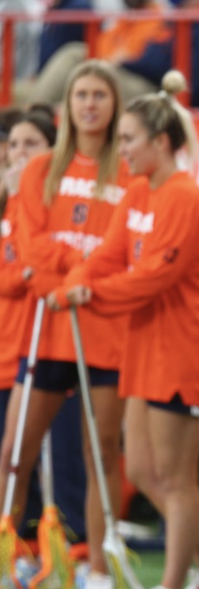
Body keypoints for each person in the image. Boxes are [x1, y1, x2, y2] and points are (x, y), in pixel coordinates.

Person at [52, 70, 199, 589]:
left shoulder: (184, 197)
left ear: (160, 142)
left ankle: (177, 582)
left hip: (185, 350)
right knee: (139, 472)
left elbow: (153, 278)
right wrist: (79, 278)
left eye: (130, 139)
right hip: (146, 348)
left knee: (175, 480)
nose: (123, 149)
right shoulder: (138, 192)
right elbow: (108, 255)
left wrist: (89, 294)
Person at [4, 59, 129, 589]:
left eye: (100, 95)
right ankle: (10, 552)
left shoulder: (127, 173)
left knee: (99, 453)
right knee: (15, 451)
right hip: (50, 326)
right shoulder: (39, 171)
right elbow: (29, 246)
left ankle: (96, 567)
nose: (90, 104)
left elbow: (120, 251)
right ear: (68, 104)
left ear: (113, 103)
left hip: (105, 332)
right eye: (81, 95)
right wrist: (59, 275)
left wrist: (73, 270)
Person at [0, 106, 89, 542]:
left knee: (57, 458)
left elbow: (28, 269)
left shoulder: (45, 201)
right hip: (13, 351)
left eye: (30, 144)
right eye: (13, 144)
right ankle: (17, 543)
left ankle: (70, 544)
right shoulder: (8, 202)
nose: (18, 153)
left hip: (41, 349)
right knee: (14, 457)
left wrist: (31, 274)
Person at [15, 0, 172, 106]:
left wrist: (125, 62)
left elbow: (159, 65)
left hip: (143, 87)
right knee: (15, 90)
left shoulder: (165, 17)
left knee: (76, 53)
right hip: (110, 75)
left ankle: (34, 110)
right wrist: (113, 60)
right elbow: (102, 50)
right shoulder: (126, 18)